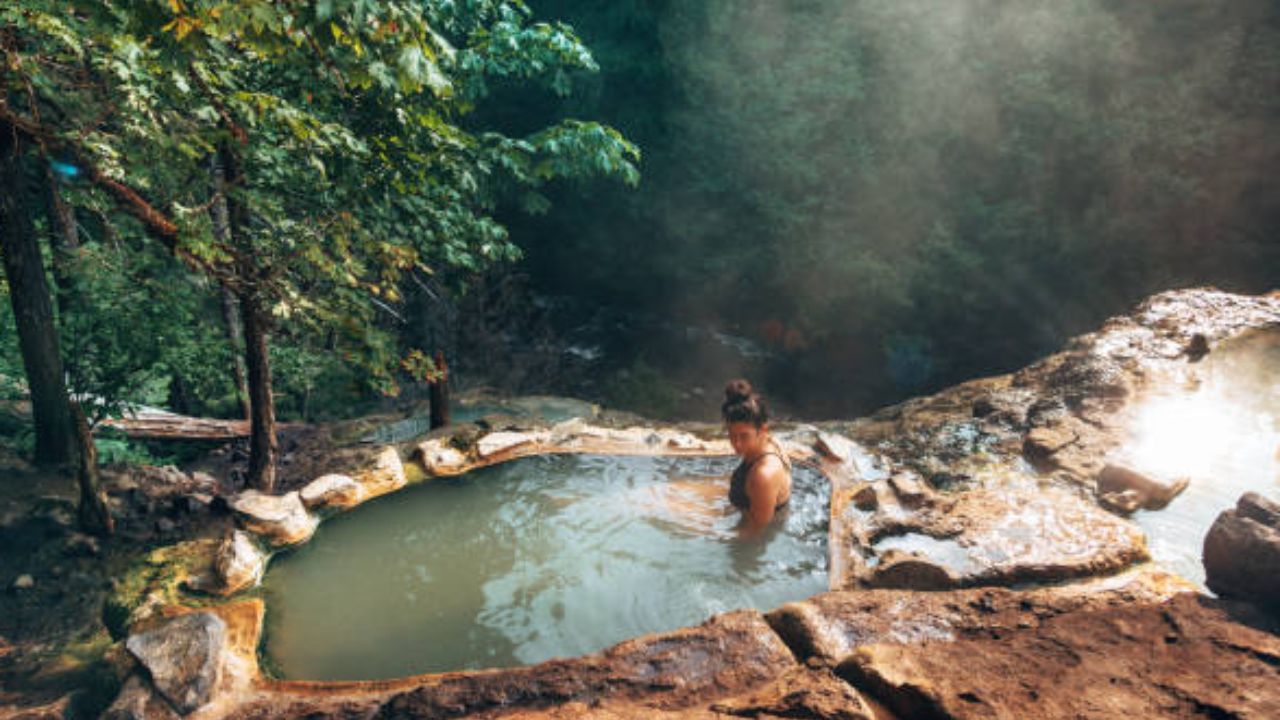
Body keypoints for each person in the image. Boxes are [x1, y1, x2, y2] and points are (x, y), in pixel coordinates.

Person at [722, 379, 792, 533]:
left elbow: (755, 531)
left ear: (763, 430)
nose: (737, 443)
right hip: (748, 516)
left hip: (756, 540)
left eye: (744, 436)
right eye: (732, 435)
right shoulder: (770, 441)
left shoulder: (763, 475)